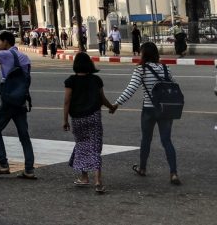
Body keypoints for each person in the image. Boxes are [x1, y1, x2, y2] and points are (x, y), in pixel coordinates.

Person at [112, 41, 180, 184]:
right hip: (165, 110)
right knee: (167, 140)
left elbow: (131, 88)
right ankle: (173, 173)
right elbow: (173, 86)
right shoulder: (165, 68)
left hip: (149, 109)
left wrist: (117, 103)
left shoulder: (141, 69)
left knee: (146, 140)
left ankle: (142, 168)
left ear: (144, 54)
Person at [0, 31, 36, 179]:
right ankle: (29, 169)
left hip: (8, 100)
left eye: (0, 41)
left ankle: (4, 164)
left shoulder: (5, 54)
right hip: (21, 99)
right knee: (24, 135)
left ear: (5, 42)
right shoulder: (24, 57)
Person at [64, 52, 117, 194]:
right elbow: (102, 99)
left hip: (77, 119)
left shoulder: (70, 81)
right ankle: (98, 181)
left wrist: (65, 120)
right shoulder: (96, 80)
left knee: (81, 145)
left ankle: (84, 176)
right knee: (94, 148)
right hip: (94, 117)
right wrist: (112, 107)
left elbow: (67, 101)